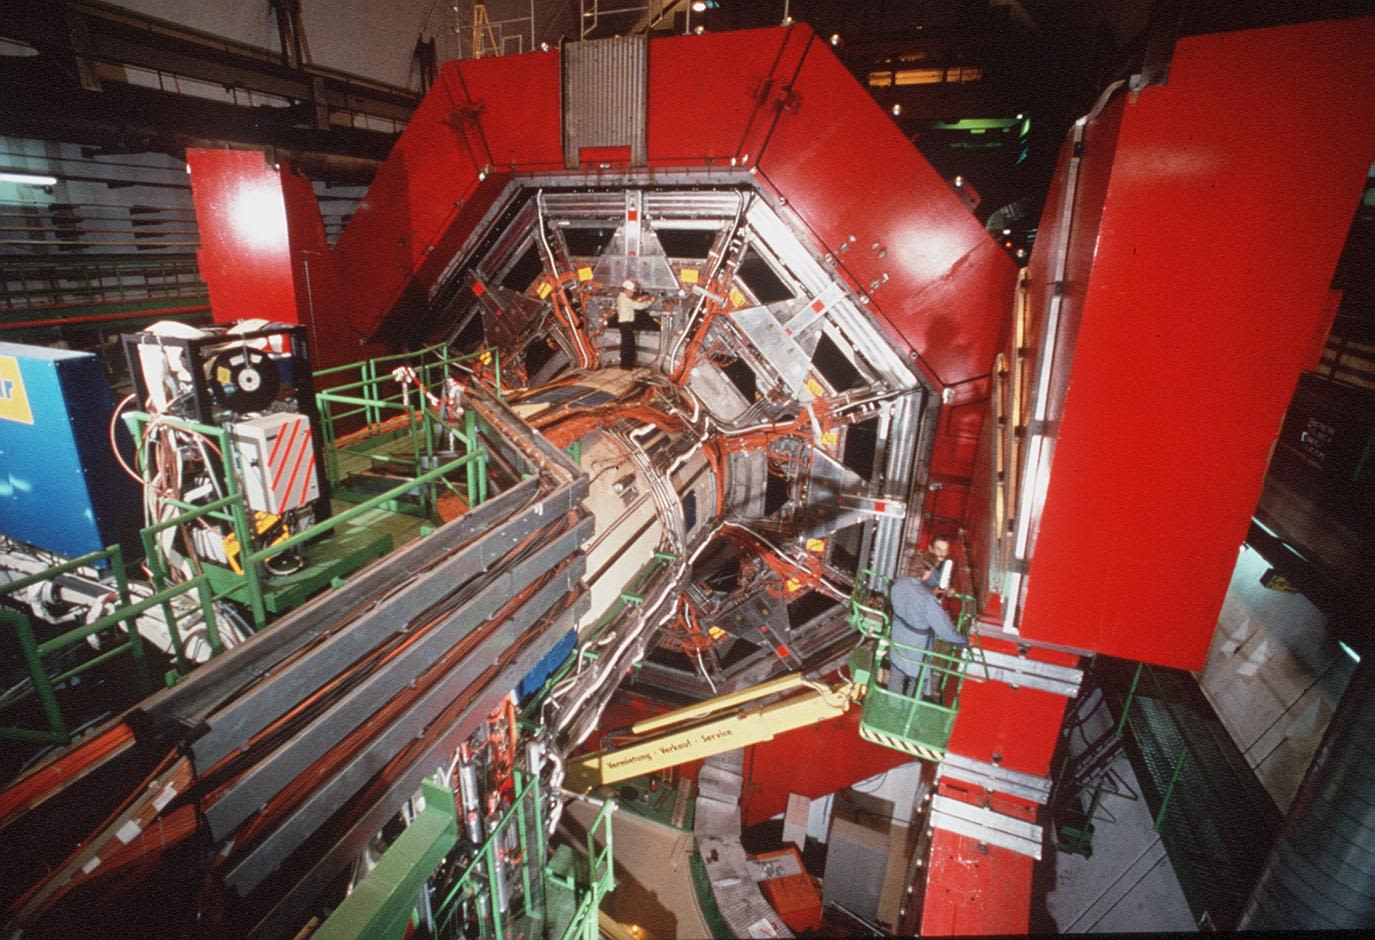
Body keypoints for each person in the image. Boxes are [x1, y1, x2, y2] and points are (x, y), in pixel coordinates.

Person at [887, 551, 967, 699]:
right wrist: (963, 642)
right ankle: (908, 715)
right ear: (926, 571)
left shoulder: (900, 583)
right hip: (916, 647)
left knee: (896, 677)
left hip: (898, 637)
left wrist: (931, 594)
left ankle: (892, 707)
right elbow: (945, 630)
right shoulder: (927, 600)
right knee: (917, 683)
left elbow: (912, 599)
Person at [615, 278, 654, 368]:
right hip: (626, 324)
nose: (632, 293)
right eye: (631, 291)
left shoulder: (621, 297)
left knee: (626, 344)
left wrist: (642, 298)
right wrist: (650, 301)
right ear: (626, 290)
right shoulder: (625, 299)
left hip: (624, 324)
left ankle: (626, 364)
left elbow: (635, 301)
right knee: (628, 345)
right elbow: (638, 306)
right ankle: (627, 365)